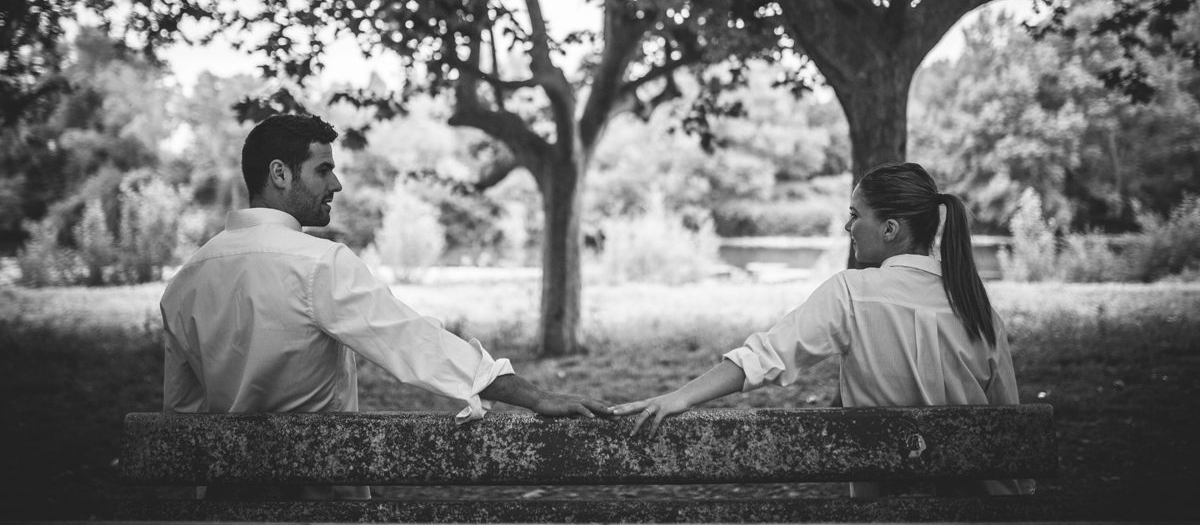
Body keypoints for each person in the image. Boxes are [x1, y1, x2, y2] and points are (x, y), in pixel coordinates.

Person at [160, 113, 609, 499]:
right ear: (280, 174)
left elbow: (181, 421)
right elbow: (414, 342)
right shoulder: (318, 264)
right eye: (323, 170)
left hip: (224, 501)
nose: (335, 183)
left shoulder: (186, 281)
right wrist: (536, 397)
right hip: (316, 497)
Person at [610, 162, 1032, 498]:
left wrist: (680, 396)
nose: (848, 228)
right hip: (981, 506)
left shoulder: (851, 292)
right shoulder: (975, 305)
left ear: (890, 229)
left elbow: (766, 357)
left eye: (855, 216)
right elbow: (1006, 422)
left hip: (884, 508)